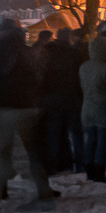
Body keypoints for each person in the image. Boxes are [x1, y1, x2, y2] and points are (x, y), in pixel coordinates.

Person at [0, 18, 57, 211]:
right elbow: (39, 77)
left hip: (1, 105)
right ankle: (44, 188)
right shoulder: (28, 51)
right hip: (27, 106)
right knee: (32, 151)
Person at [38, 28, 84, 174]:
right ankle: (79, 164)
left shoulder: (48, 52)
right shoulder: (74, 53)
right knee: (76, 132)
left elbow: (42, 74)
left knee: (55, 132)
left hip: (52, 97)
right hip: (71, 96)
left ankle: (54, 164)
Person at [77, 34, 106, 183]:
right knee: (102, 141)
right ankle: (99, 170)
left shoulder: (84, 66)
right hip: (103, 107)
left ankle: (89, 169)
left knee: (91, 139)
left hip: (87, 107)